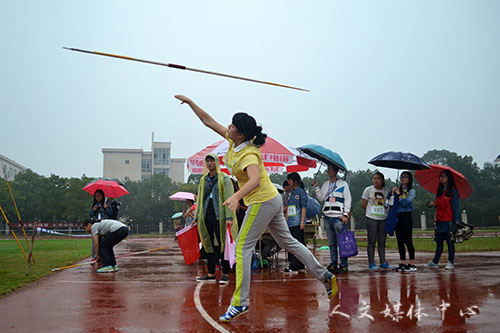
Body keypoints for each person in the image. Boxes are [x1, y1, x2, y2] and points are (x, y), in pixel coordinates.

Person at [175, 95, 336, 323]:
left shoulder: (249, 153)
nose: (227, 127)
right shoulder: (233, 142)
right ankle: (325, 275)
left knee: (242, 248)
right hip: (271, 200)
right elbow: (208, 121)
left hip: (262, 201)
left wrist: (237, 196)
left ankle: (240, 302)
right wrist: (191, 102)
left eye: (231, 125)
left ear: (239, 133)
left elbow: (255, 180)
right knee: (287, 242)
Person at [194, 154, 238, 285]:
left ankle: (225, 273)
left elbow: (229, 197)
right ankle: (211, 273)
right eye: (207, 161)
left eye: (212, 161)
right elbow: (200, 198)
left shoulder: (224, 178)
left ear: (217, 162)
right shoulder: (203, 180)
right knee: (208, 244)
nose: (209, 163)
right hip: (207, 214)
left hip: (221, 216)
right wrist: (196, 216)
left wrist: (229, 217)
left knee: (222, 244)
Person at [313, 164, 352, 274]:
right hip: (327, 216)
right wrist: (316, 187)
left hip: (338, 217)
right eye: (327, 169)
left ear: (336, 171)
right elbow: (321, 198)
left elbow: (348, 199)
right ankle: (333, 263)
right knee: (331, 242)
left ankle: (344, 264)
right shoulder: (325, 184)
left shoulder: (343, 184)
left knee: (342, 242)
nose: (328, 171)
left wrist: (345, 214)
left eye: (330, 169)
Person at [426, 170, 460, 270]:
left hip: (449, 220)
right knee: (439, 242)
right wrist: (433, 204)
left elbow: (455, 206)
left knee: (450, 242)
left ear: (449, 178)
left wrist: (457, 220)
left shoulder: (452, 191)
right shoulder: (439, 191)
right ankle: (435, 261)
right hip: (439, 220)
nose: (442, 178)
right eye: (440, 176)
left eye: (444, 176)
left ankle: (450, 262)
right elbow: (438, 204)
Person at [362, 172, 394, 270]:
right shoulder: (368, 190)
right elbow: (363, 204)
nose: (376, 180)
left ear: (382, 180)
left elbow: (389, 204)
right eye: (374, 178)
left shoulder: (387, 191)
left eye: (378, 178)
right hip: (371, 217)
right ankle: (371, 263)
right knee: (371, 241)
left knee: (382, 241)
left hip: (383, 218)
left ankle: (383, 261)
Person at [392, 171, 417, 272]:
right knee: (400, 241)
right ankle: (402, 262)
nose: (403, 179)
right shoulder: (397, 190)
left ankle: (412, 263)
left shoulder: (412, 191)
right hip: (398, 216)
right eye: (402, 177)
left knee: (408, 240)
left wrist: (399, 194)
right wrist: (393, 193)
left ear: (409, 179)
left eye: (406, 177)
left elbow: (406, 203)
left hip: (406, 216)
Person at [283, 172, 308, 273]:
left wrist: (302, 221)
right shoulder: (290, 194)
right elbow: (289, 208)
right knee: (297, 243)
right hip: (290, 222)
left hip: (297, 222)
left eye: (290, 180)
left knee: (296, 244)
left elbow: (303, 207)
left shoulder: (301, 192)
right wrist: (286, 220)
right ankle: (300, 265)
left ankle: (294, 266)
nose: (288, 182)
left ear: (294, 181)